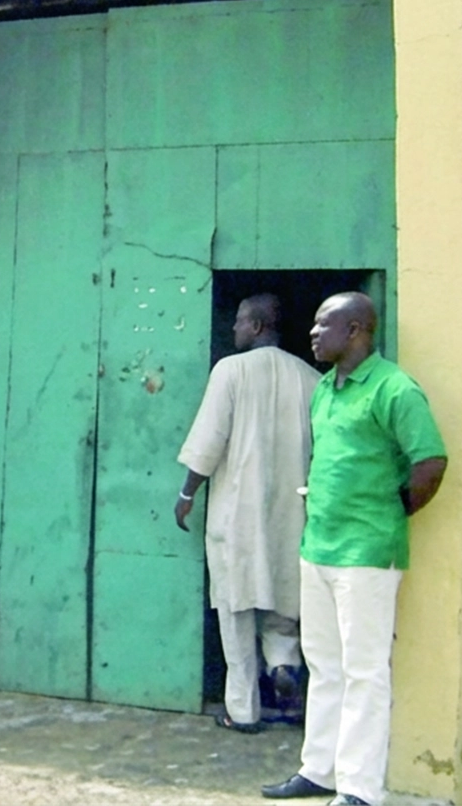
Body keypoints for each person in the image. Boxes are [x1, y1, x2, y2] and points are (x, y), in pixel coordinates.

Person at [262, 293, 447, 806]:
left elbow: (431, 461)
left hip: (366, 553)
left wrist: (388, 513)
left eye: (326, 324)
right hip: (318, 545)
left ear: (358, 330)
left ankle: (361, 790)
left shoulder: (395, 389)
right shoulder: (325, 389)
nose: (313, 333)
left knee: (365, 672)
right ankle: (318, 770)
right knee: (323, 664)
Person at [173, 293, 319, 732]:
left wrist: (187, 493)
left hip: (237, 512)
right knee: (283, 603)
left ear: (256, 327)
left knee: (235, 607)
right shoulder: (310, 378)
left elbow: (209, 440)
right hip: (293, 511)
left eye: (238, 322)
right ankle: (285, 670)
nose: (232, 329)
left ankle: (243, 710)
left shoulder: (230, 371)